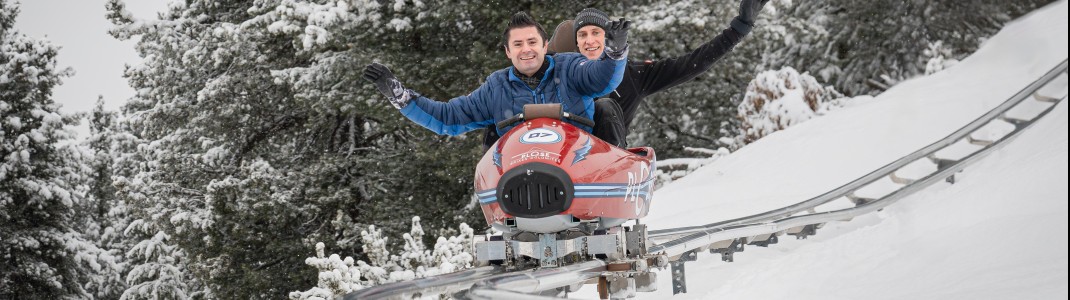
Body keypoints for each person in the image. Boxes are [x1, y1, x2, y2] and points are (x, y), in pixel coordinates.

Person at [485, 1, 769, 149]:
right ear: (575, 43)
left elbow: (691, 64)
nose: (589, 40)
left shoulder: (633, 74)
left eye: (596, 33)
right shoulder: (556, 71)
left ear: (609, 38)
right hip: (555, 153)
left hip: (602, 159)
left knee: (604, 106)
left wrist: (739, 28)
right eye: (582, 35)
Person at [362, 12, 632, 148]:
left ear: (544, 45)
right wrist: (401, 98)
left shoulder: (570, 68)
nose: (526, 49)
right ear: (508, 51)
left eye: (531, 42)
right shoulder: (497, 87)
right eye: (518, 44)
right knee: (492, 134)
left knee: (605, 106)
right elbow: (448, 118)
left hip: (579, 165)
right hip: (524, 172)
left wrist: (614, 52)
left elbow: (602, 80)